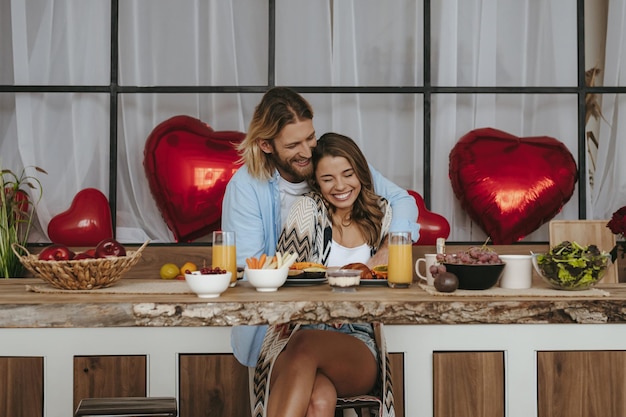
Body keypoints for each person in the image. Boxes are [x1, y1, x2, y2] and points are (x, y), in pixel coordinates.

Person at [221, 86, 419, 369]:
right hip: (273, 328)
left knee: (308, 361)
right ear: (267, 145)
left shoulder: (332, 163)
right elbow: (248, 272)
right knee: (317, 398)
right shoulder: (246, 188)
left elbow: (402, 200)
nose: (306, 152)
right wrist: (320, 304)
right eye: (293, 146)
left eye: (310, 137)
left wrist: (391, 248)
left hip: (346, 331)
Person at [249, 132, 394, 417]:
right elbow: (288, 278)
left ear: (360, 173)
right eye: (328, 179)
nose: (340, 186)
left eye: (347, 174)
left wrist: (391, 245)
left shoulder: (382, 214)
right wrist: (326, 307)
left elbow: (390, 275)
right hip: (298, 335)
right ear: (316, 182)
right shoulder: (306, 210)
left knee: (307, 347)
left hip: (358, 340)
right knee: (319, 400)